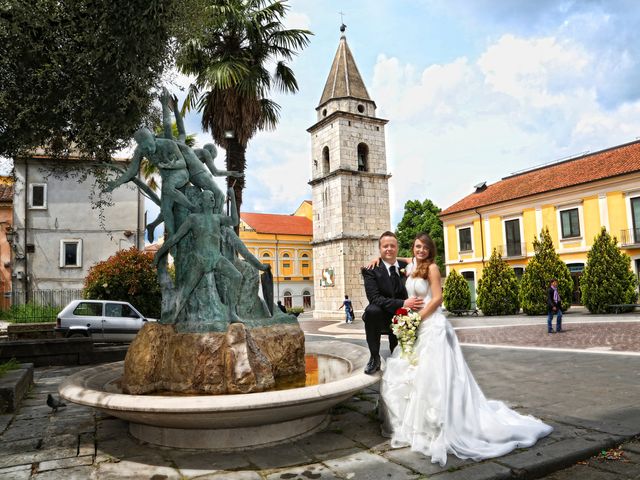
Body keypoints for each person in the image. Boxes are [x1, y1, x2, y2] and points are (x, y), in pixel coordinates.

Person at [380, 232, 553, 466]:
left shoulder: (431, 268)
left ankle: (444, 423)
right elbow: (397, 258)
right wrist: (378, 259)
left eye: (424, 248)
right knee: (416, 375)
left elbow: (437, 299)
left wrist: (416, 318)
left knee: (436, 378)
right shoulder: (412, 265)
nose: (420, 250)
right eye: (417, 247)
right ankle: (421, 425)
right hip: (416, 326)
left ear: (431, 251)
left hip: (432, 326)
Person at [153, 189, 242, 324]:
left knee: (237, 276)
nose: (212, 199)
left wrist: (233, 198)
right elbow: (176, 237)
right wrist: (159, 253)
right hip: (199, 260)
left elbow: (234, 221)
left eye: (213, 197)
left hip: (217, 259)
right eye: (209, 197)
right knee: (185, 291)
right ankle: (172, 316)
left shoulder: (217, 218)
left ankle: (232, 312)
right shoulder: (193, 218)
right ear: (201, 201)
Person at [361, 231, 424, 374]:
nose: (389, 249)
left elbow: (422, 259)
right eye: (385, 246)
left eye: (392, 246)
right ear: (380, 249)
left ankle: (400, 355)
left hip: (404, 316)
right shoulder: (370, 270)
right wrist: (403, 303)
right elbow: (375, 299)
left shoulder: (406, 265)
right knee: (372, 310)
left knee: (401, 356)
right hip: (382, 316)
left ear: (397, 248)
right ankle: (374, 358)